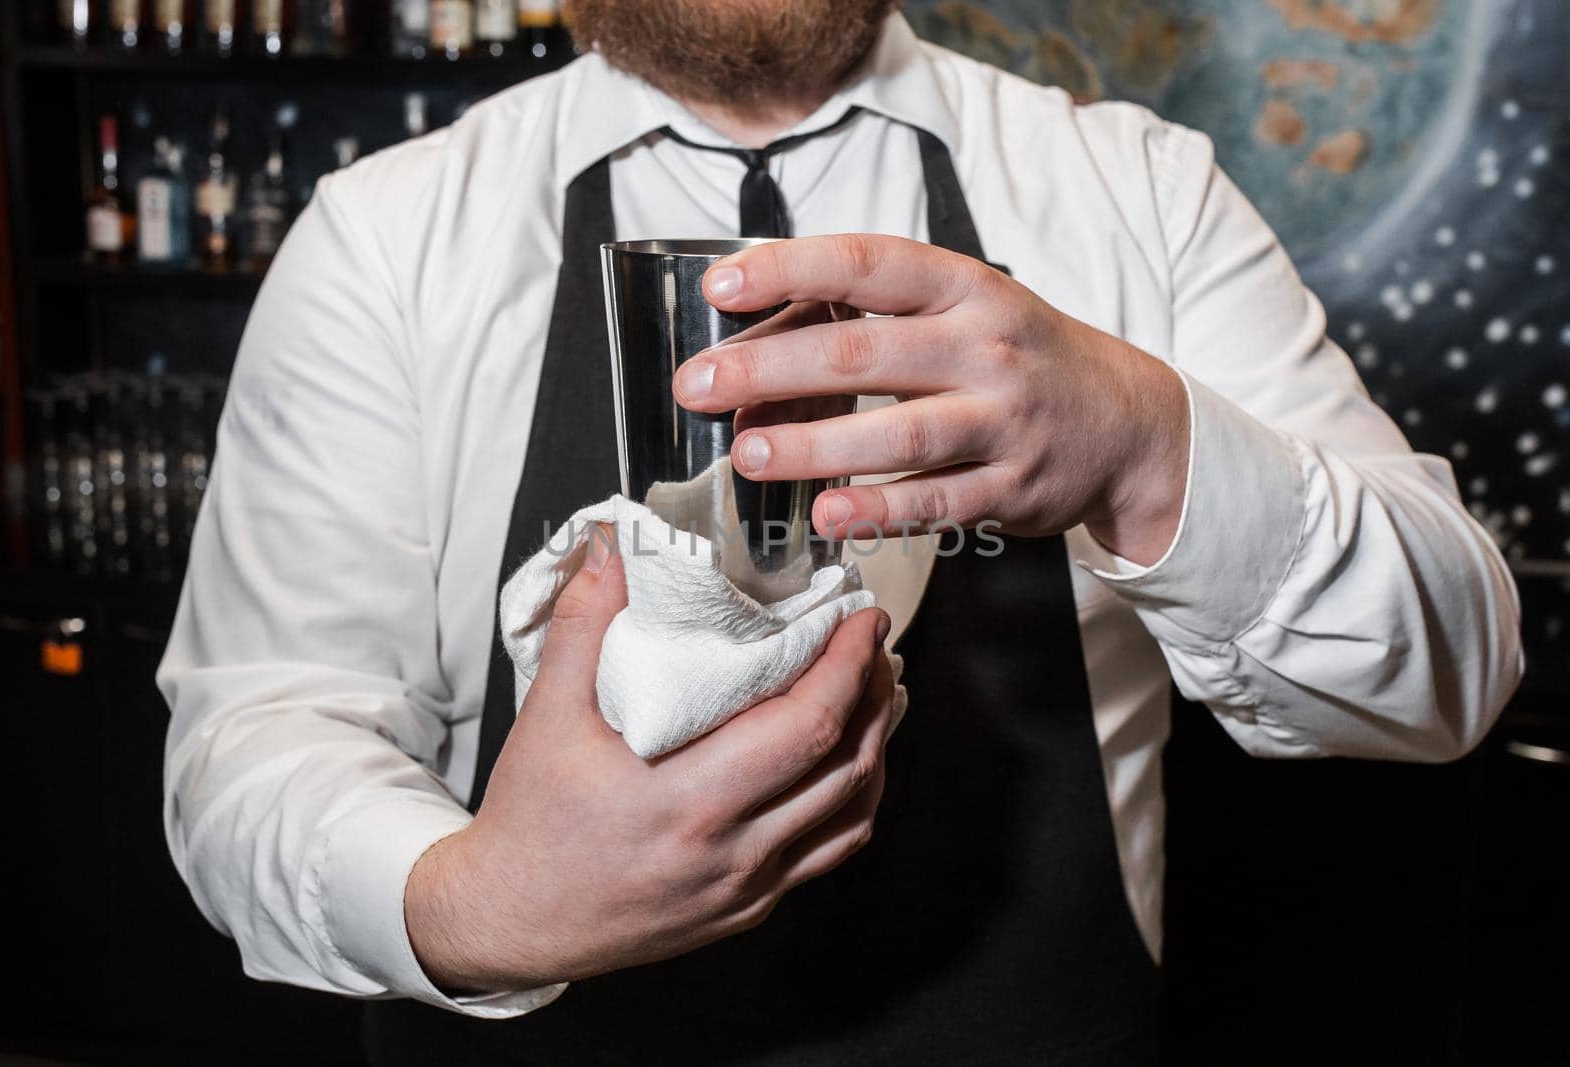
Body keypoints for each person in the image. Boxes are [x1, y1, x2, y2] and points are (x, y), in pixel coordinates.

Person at [158, 2, 1523, 1063]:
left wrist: (1148, 445)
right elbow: (255, 738)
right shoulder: (388, 237)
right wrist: (475, 904)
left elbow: (1450, 670)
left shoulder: (1140, 191)